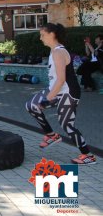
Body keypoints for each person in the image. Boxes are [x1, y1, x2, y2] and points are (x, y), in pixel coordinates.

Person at [25, 23, 96, 165]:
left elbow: (61, 79)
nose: (40, 38)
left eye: (42, 35)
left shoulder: (59, 52)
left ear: (52, 34)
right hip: (57, 89)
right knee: (31, 105)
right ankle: (51, 135)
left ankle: (88, 155)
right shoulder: (54, 51)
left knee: (67, 125)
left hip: (68, 92)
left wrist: (47, 100)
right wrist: (48, 97)